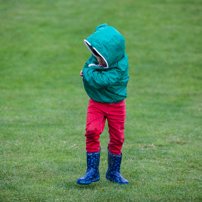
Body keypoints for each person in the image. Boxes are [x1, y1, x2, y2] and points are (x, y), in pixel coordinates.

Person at [77, 23, 129, 185]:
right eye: (96, 54)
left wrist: (87, 72)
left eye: (100, 56)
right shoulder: (95, 59)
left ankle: (114, 172)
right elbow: (89, 67)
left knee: (117, 138)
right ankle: (92, 171)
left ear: (111, 54)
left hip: (116, 105)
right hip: (96, 103)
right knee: (91, 131)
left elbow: (102, 80)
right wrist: (89, 70)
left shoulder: (120, 66)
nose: (97, 59)